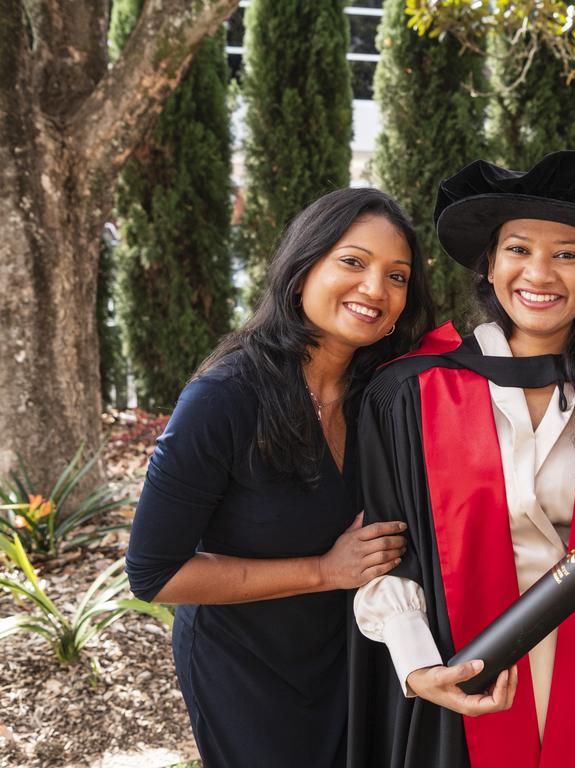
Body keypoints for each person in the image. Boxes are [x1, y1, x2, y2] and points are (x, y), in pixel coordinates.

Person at [348, 150, 575, 768]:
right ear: (490, 265)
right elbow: (386, 554)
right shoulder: (409, 396)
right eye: (518, 249)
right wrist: (422, 667)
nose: (539, 272)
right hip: (456, 691)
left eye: (567, 254)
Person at [125, 188, 435, 767]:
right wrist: (324, 571)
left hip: (352, 654)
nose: (376, 288)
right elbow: (153, 574)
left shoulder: (385, 395)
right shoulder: (223, 398)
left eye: (397, 276)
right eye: (353, 261)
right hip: (246, 667)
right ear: (301, 271)